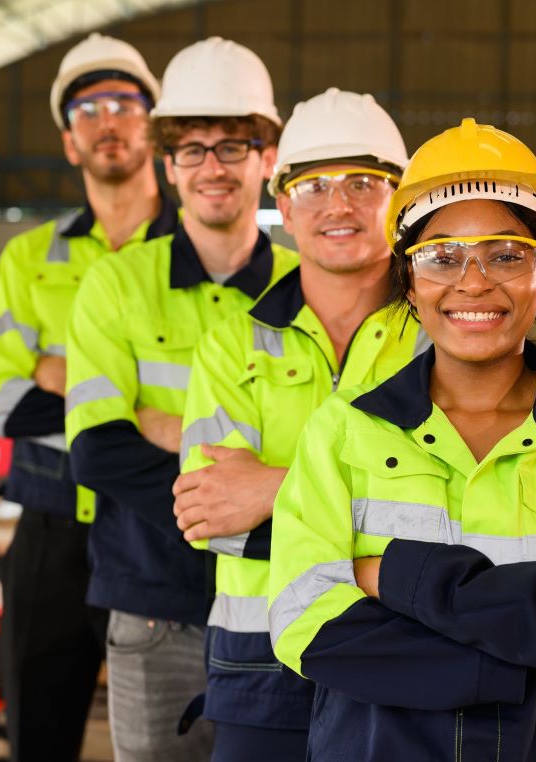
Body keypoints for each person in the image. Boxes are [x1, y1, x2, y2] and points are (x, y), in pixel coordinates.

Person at [268, 118, 536, 761]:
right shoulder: (344, 432)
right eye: (441, 256)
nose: (474, 282)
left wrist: (387, 575)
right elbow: (305, 629)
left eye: (506, 253)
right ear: (410, 280)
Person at [172, 86, 439, 760]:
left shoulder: (445, 340)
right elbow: (213, 522)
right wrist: (387, 525)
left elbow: (463, 517)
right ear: (283, 205)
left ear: (401, 202)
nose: (338, 205)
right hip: (259, 666)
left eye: (363, 182)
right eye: (313, 185)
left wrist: (274, 488)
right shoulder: (231, 345)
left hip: (408, 654)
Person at [65, 37, 294, 762]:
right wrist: (241, 495)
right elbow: (99, 449)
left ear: (268, 157)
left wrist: (170, 429)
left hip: (281, 606)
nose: (212, 169)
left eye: (233, 147)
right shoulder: (116, 284)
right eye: (191, 150)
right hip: (158, 609)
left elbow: (334, 447)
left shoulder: (307, 289)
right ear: (168, 164)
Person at [0, 33, 176, 762]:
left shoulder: (197, 251)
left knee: (166, 741)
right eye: (86, 108)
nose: (107, 120)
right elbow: (6, 406)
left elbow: (218, 408)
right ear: (70, 142)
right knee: (38, 736)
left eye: (124, 102)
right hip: (50, 534)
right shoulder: (31, 259)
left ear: (152, 126)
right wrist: (145, 412)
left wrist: (68, 374)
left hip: (162, 532)